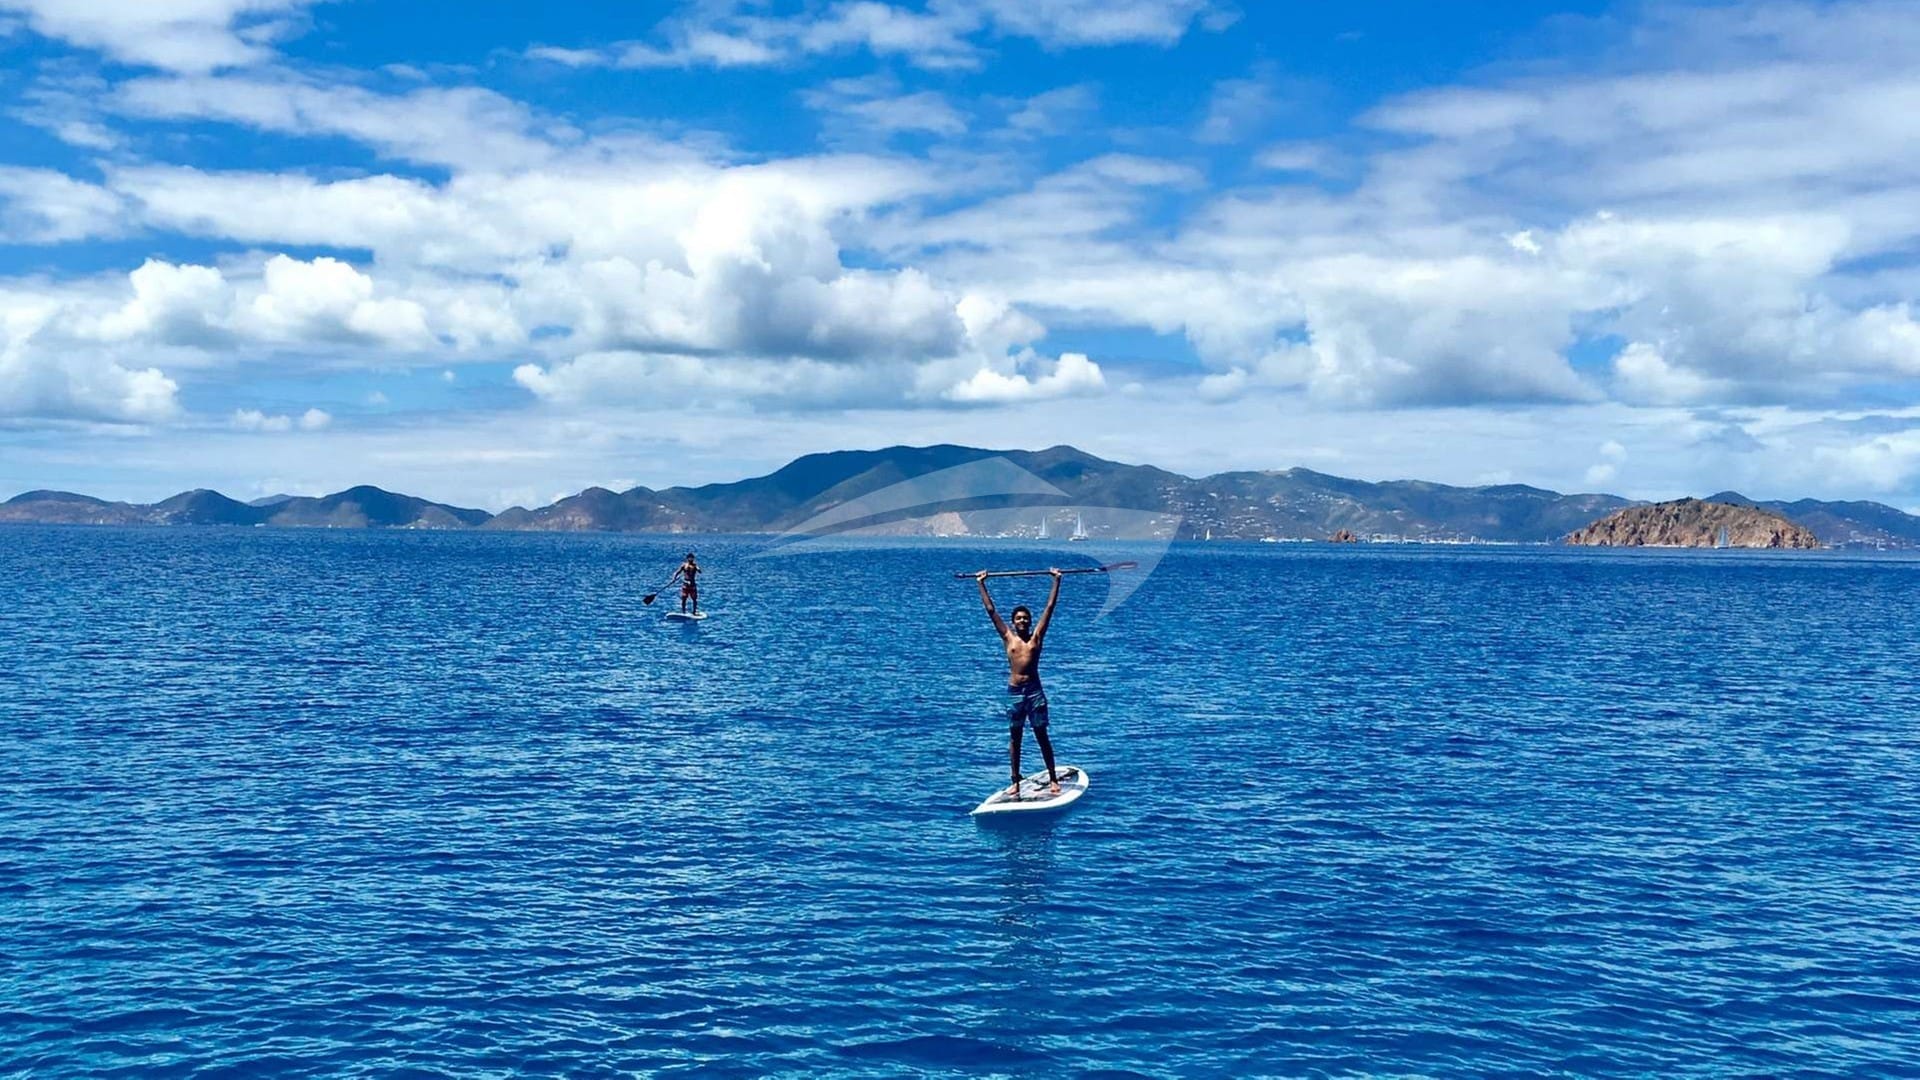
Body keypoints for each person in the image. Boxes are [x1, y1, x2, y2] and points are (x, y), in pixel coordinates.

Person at [976, 568, 1064, 797]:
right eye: (1018, 618)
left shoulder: (1036, 638)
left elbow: (1049, 608)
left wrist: (1056, 581)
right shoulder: (1008, 638)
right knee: (1015, 737)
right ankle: (1015, 781)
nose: (1022, 621)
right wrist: (981, 583)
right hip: (1015, 692)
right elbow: (990, 610)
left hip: (1034, 692)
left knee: (1041, 734)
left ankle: (1053, 778)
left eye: (1025, 618)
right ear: (1014, 622)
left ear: (1030, 621)